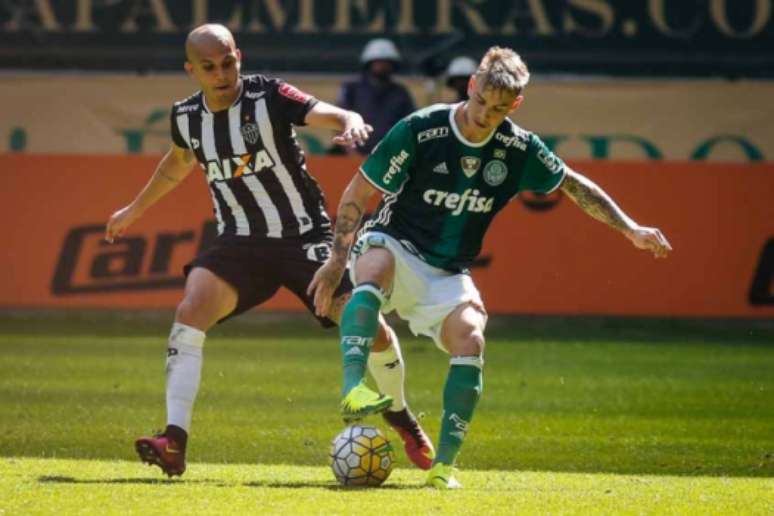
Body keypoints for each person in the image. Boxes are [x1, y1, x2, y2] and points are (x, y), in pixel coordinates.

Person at [308, 46, 672, 489]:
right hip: (395, 242)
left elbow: (575, 186)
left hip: (448, 272)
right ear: (473, 83)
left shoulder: (518, 148)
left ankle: (443, 467)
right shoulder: (421, 129)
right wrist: (335, 259)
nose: (485, 113)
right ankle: (353, 387)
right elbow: (358, 192)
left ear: (514, 104)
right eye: (481, 100)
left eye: (499, 108)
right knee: (376, 267)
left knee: (472, 338)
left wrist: (630, 228)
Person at [104, 24, 434, 478]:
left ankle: (401, 416)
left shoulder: (268, 96)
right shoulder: (186, 117)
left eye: (228, 63)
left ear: (238, 56)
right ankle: (174, 441)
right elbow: (180, 161)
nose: (221, 74)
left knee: (369, 326)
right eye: (209, 68)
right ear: (191, 70)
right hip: (239, 242)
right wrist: (134, 210)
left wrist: (350, 121)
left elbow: (325, 112)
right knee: (190, 309)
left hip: (305, 237)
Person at [336, 38, 415, 155]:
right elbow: (338, 121)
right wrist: (352, 154)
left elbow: (410, 126)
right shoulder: (352, 88)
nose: (382, 66)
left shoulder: (400, 92)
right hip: (354, 157)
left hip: (389, 157)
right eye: (378, 62)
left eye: (386, 62)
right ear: (368, 63)